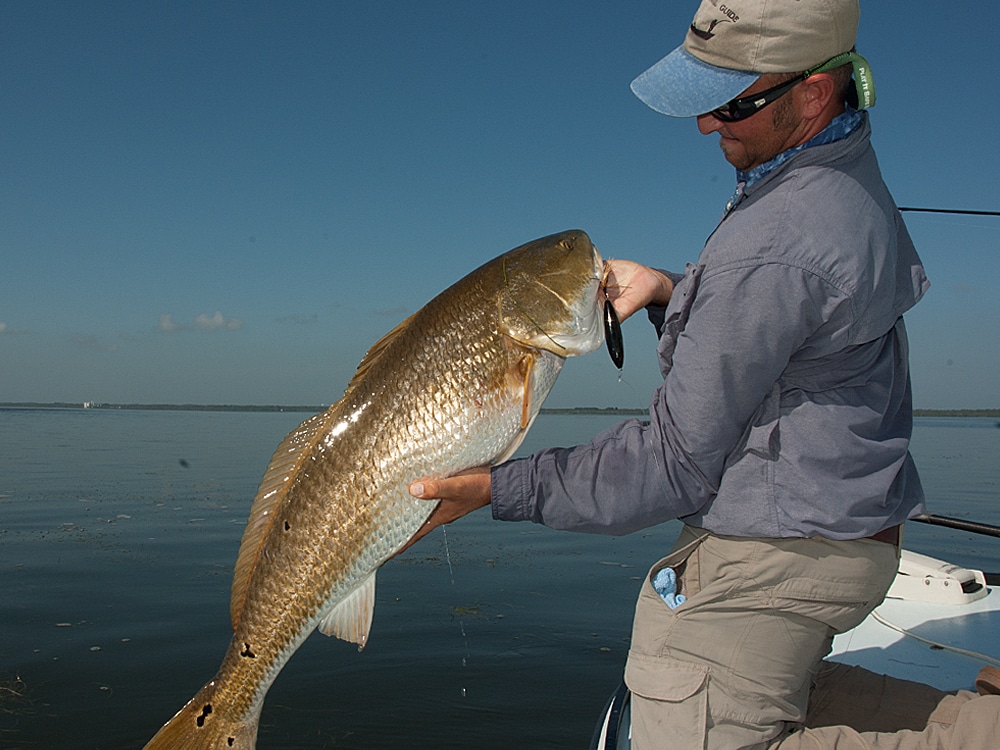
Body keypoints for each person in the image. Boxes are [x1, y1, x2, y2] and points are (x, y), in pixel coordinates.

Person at [408, 1, 1000, 747]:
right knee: (750, 689)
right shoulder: (843, 175)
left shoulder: (773, 239)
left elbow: (673, 465)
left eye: (731, 104)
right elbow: (786, 346)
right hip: (849, 526)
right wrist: (669, 291)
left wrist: (498, 489)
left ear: (813, 94)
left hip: (790, 548)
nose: (705, 125)